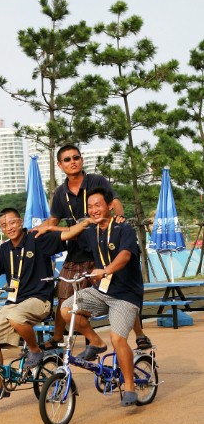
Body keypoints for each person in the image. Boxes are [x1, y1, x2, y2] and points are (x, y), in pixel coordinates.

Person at [0, 207, 91, 400]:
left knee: (15, 317)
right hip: (14, 302)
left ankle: (34, 350)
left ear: (20, 222)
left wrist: (86, 222)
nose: (9, 227)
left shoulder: (36, 238)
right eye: (4, 225)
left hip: (39, 300)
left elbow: (69, 235)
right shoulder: (4, 249)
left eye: (12, 222)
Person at [34, 144, 151, 351]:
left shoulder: (97, 181)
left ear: (81, 160)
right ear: (60, 165)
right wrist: (36, 231)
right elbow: (53, 219)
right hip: (78, 248)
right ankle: (58, 337)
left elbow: (114, 202)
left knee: (119, 290)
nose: (72, 162)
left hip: (103, 249)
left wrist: (119, 220)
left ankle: (139, 333)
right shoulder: (61, 193)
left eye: (75, 157)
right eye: (67, 159)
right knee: (64, 294)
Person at [60, 187, 144, 406]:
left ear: (110, 206)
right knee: (66, 310)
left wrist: (105, 270)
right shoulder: (91, 231)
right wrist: (42, 229)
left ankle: (130, 387)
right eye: (90, 207)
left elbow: (125, 255)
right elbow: (66, 233)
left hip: (125, 295)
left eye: (98, 205)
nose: (94, 210)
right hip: (101, 292)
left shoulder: (123, 229)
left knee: (117, 339)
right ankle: (96, 342)